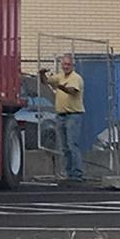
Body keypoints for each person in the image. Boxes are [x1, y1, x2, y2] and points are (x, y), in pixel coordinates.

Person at [41, 53, 85, 182]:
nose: (66, 67)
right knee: (64, 147)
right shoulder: (59, 76)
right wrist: (42, 74)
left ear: (72, 65)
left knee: (72, 145)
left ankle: (77, 174)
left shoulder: (75, 78)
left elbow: (72, 91)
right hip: (60, 115)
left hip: (73, 115)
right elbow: (46, 82)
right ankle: (68, 173)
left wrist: (59, 86)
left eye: (68, 64)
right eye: (64, 64)